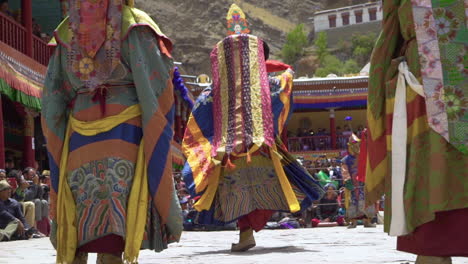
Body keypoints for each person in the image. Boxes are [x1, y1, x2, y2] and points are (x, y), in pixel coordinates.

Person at [42, 1, 182, 263]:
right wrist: (155, 123)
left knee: (80, 194)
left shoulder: (67, 31)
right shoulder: (135, 25)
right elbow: (156, 82)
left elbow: (53, 96)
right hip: (125, 130)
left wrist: (58, 133)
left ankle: (75, 251)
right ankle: (110, 255)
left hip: (79, 132)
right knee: (118, 194)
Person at [182, 4, 324, 253]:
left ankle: (246, 232)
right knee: (264, 187)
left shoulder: (216, 91)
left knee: (241, 191)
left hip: (231, 152)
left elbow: (200, 114)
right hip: (260, 150)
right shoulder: (269, 83)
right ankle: (248, 232)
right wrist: (285, 72)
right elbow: (284, 87)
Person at [365, 0, 467, 263]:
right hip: (423, 73)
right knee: (433, 163)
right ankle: (431, 248)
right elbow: (392, 31)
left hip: (427, 67)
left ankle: (432, 250)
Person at [342, 134, 375, 228]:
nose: (356, 147)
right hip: (353, 183)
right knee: (353, 201)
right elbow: (344, 170)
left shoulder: (364, 157)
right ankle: (353, 222)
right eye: (354, 145)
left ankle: (367, 221)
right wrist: (347, 180)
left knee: (366, 201)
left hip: (364, 182)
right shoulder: (346, 159)